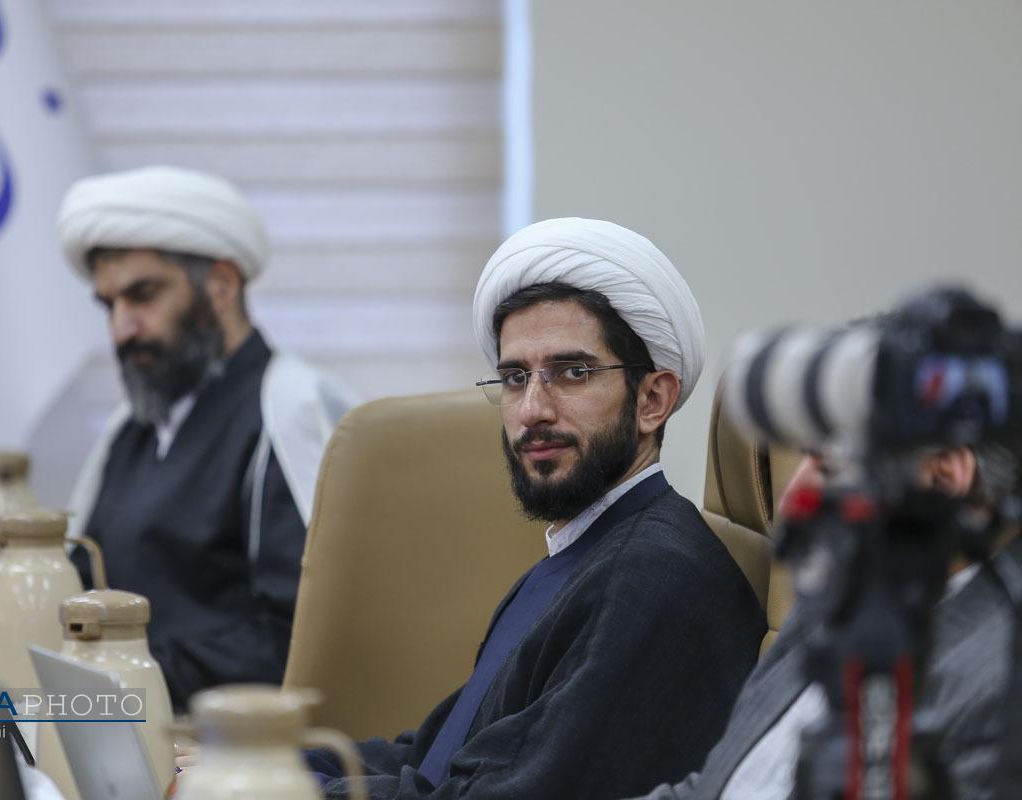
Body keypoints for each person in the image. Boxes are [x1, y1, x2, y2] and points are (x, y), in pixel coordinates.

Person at [310, 218, 766, 798]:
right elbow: (436, 752)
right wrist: (265, 761)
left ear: (652, 400)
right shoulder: (581, 555)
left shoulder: (650, 580)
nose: (532, 411)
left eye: (572, 373)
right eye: (514, 377)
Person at [57, 165, 355, 708]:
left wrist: (133, 676)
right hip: (118, 719)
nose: (121, 329)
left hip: (228, 741)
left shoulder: (288, 408)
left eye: (142, 295)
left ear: (221, 284)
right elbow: (79, 583)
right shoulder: (131, 429)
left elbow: (299, 640)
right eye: (109, 305)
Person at [634, 442, 1022, 799]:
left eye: (828, 468)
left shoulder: (999, 692)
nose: (789, 502)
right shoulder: (847, 588)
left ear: (941, 478)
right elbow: (713, 788)